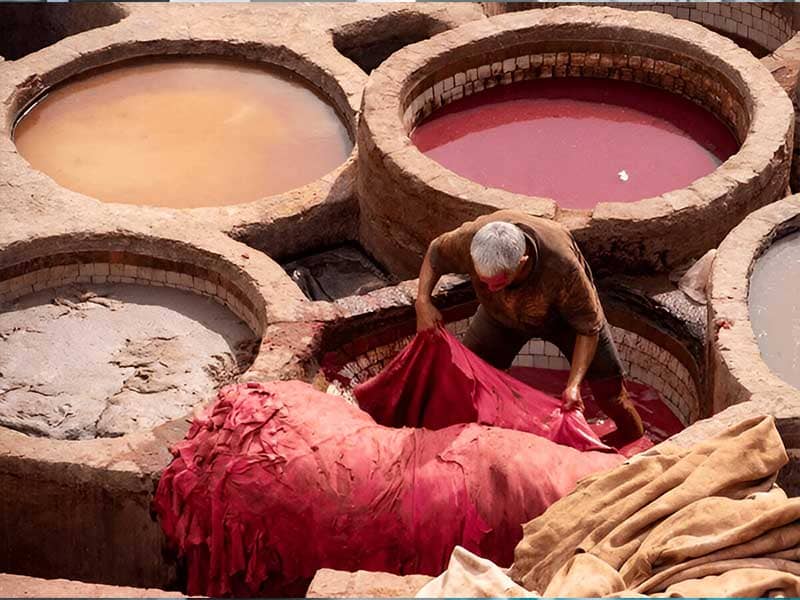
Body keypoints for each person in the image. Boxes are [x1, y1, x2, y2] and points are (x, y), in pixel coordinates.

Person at [415, 209, 644, 443]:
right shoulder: (470, 240)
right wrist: (423, 301)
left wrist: (573, 385)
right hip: (500, 316)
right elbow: (435, 252)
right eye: (484, 282)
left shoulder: (562, 266)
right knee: (465, 380)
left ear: (522, 262)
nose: (491, 287)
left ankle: (634, 439)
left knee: (611, 395)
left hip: (566, 322)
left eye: (500, 282)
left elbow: (588, 328)